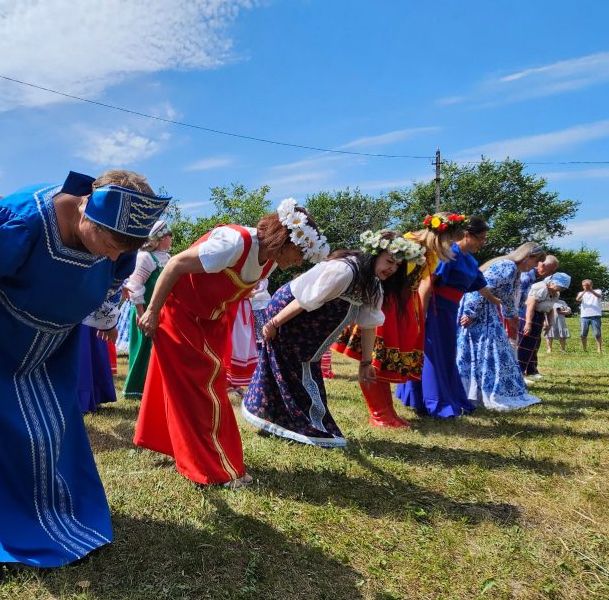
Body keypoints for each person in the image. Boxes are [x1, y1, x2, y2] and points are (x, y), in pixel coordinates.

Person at [0, 169, 169, 567]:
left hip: (51, 350)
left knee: (47, 429)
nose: (112, 255)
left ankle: (44, 512)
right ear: (86, 211)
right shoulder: (23, 219)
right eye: (108, 244)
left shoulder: (117, 239)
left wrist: (106, 319)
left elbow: (111, 279)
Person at [134, 198, 326, 488]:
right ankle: (214, 468)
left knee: (199, 386)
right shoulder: (233, 242)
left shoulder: (270, 261)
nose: (298, 262)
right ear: (282, 238)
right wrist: (151, 311)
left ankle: (187, 450)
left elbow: (237, 291)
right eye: (299, 252)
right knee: (203, 390)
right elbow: (174, 265)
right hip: (180, 314)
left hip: (211, 320)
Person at [242, 232, 412, 446]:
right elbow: (306, 300)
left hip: (308, 324)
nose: (392, 269)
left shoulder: (374, 286)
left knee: (298, 369)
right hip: (289, 314)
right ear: (374, 255)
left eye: (397, 266)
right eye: (389, 261)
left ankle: (289, 423)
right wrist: (273, 323)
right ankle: (305, 426)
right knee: (295, 369)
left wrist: (366, 363)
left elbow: (368, 325)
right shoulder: (344, 270)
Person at [332, 213, 464, 428]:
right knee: (375, 358)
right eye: (450, 240)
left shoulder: (428, 253)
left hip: (402, 308)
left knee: (383, 362)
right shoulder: (406, 243)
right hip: (387, 305)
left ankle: (387, 411)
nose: (451, 246)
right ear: (441, 235)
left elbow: (421, 285)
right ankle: (379, 413)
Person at [398, 215, 499, 418]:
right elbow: (427, 283)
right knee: (433, 354)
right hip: (435, 309)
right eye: (481, 237)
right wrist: (421, 314)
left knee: (445, 355)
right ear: (466, 235)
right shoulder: (448, 253)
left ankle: (449, 396)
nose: (483, 242)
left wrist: (496, 300)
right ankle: (431, 401)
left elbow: (480, 285)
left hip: (449, 312)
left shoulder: (470, 260)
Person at [457, 243, 543, 411]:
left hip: (486, 310)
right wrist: (470, 312)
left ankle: (480, 390)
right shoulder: (508, 266)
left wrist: (512, 317)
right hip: (479, 310)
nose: (535, 267)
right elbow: (481, 288)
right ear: (528, 257)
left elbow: (507, 297)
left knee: (493, 351)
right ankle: (476, 390)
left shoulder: (514, 270)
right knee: (484, 350)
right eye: (536, 262)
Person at [121, 220, 172, 398]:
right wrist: (141, 313)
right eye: (167, 235)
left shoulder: (167, 258)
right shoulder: (145, 257)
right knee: (143, 348)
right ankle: (136, 389)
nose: (170, 238)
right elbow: (135, 285)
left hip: (162, 312)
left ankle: (156, 387)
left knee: (160, 350)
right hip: (145, 309)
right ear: (158, 239)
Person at [518, 272, 571, 379]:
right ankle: (519, 373)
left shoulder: (555, 293)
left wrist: (550, 323)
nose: (560, 289)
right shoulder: (540, 288)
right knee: (524, 344)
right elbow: (530, 305)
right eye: (560, 286)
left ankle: (531, 370)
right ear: (551, 282)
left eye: (563, 288)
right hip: (528, 315)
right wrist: (528, 323)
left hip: (539, 316)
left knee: (534, 345)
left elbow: (550, 308)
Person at [575, 279, 604, 353]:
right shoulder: (581, 293)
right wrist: (585, 291)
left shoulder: (597, 291)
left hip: (596, 315)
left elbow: (598, 296)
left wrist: (590, 290)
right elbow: (577, 299)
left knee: (597, 333)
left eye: (587, 285)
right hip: (584, 316)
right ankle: (584, 349)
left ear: (591, 285)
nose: (585, 287)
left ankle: (599, 349)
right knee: (583, 334)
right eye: (584, 285)